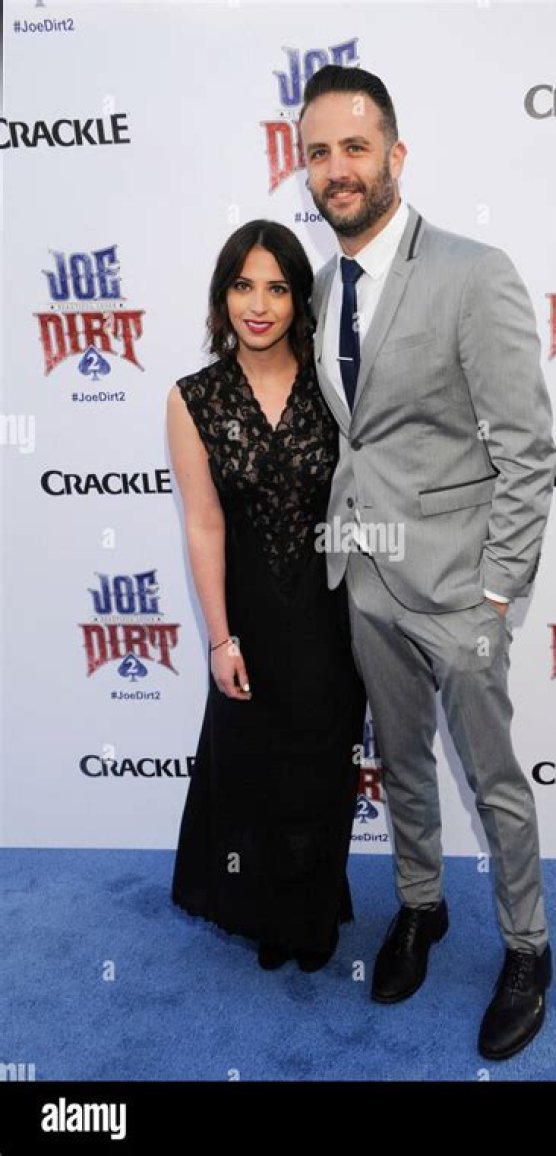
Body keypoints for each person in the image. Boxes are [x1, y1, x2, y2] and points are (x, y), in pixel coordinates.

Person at [299, 65, 556, 1058]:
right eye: (318, 153)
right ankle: (421, 903)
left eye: (355, 148)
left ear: (395, 155)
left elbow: (526, 447)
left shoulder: (473, 272)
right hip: (366, 580)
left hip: (460, 590)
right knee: (402, 763)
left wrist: (496, 591)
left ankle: (529, 947)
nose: (337, 169)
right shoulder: (322, 288)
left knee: (493, 781)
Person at [167, 220, 366, 972]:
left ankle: (312, 915)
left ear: (299, 300)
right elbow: (203, 522)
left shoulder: (335, 386)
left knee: (321, 768)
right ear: (223, 297)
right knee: (254, 772)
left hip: (330, 613)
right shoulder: (194, 399)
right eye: (243, 286)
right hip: (247, 615)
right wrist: (220, 638)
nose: (259, 305)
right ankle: (269, 917)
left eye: (277, 288)